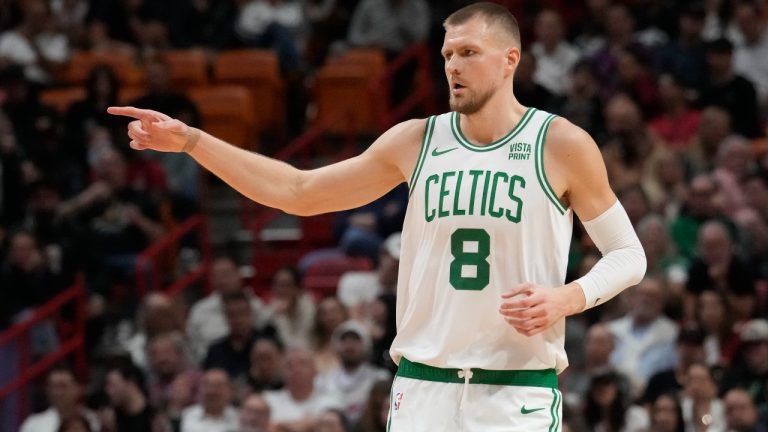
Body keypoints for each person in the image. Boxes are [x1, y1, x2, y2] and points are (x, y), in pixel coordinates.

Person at [109, 3, 646, 430]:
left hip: (516, 392)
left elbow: (629, 255)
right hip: (421, 387)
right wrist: (194, 142)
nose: (453, 67)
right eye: (446, 55)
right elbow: (298, 191)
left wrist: (568, 297)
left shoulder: (561, 144)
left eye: (468, 52)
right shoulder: (417, 139)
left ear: (510, 59)